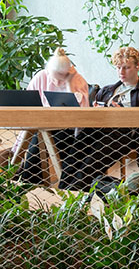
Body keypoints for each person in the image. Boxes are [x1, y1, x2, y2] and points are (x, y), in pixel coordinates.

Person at [59, 46, 139, 191]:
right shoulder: (107, 90)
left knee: (90, 162)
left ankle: (72, 192)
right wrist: (96, 112)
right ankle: (63, 190)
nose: (121, 72)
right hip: (98, 130)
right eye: (118, 67)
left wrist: (123, 116)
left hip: (125, 134)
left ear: (137, 66)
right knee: (74, 155)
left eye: (126, 67)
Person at [17, 47, 90, 185]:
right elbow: (27, 103)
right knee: (38, 138)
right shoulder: (41, 76)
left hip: (69, 131)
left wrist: (69, 83)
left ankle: (26, 182)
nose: (56, 82)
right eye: (54, 76)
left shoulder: (77, 80)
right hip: (40, 126)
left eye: (61, 77)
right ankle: (27, 181)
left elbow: (82, 114)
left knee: (40, 142)